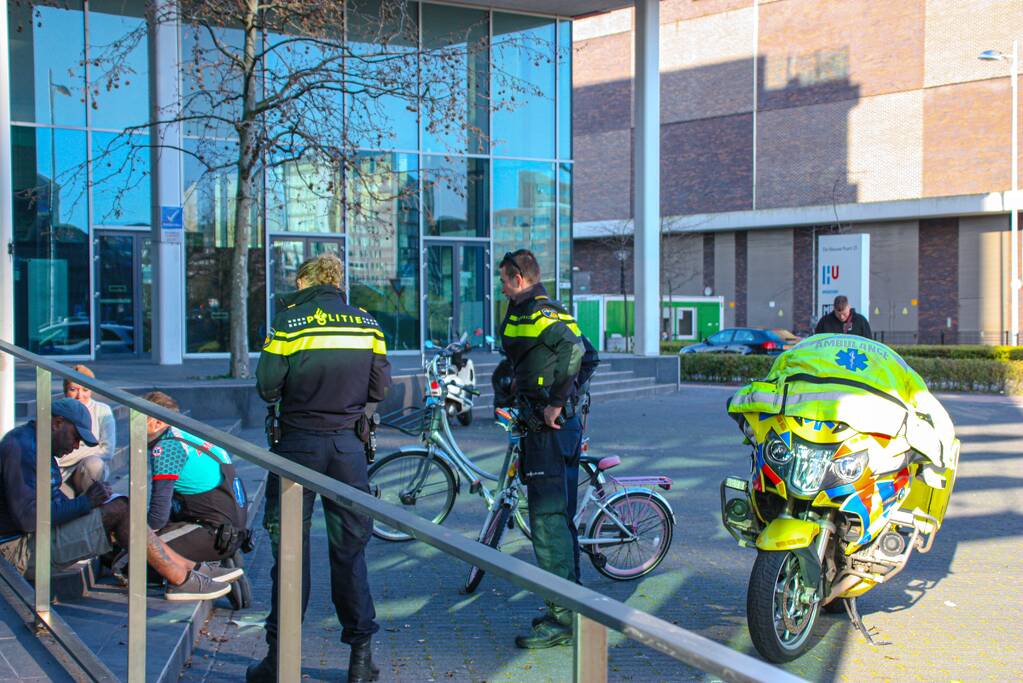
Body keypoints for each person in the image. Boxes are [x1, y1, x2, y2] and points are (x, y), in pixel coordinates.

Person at [249, 253, 391, 683]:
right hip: (348, 448)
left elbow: (266, 385)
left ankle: (280, 659)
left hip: (297, 447)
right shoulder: (368, 324)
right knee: (350, 553)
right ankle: (361, 660)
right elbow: (379, 387)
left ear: (308, 280)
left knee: (289, 552)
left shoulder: (288, 323)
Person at [0, 399, 239, 601]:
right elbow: (30, 519)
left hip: (29, 541)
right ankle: (180, 579)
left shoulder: (34, 445)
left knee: (120, 507)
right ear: (57, 423)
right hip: (16, 552)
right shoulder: (22, 448)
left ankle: (190, 568)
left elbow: (47, 505)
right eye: (75, 437)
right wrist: (86, 503)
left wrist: (92, 503)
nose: (75, 446)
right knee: (122, 510)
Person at [497, 249, 598, 650]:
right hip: (557, 430)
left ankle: (563, 621)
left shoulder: (538, 312)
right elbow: (589, 355)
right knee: (561, 518)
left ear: (519, 278)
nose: (502, 288)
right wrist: (569, 398)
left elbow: (577, 351)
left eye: (505, 281)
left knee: (548, 522)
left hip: (549, 430)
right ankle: (571, 608)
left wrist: (558, 402)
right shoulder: (543, 309)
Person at [143, 391, 248, 563]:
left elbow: (158, 517)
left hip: (210, 533)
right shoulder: (191, 436)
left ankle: (207, 574)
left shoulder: (167, 448)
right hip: (231, 532)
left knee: (130, 560)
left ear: (157, 422)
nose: (132, 428)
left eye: (138, 421)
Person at [58, 365, 116, 497]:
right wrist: (93, 449)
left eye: (85, 389)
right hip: (60, 474)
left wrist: (69, 456)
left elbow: (108, 451)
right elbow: (54, 457)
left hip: (88, 471)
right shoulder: (57, 412)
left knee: (94, 463)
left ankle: (93, 508)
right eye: (73, 390)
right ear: (65, 390)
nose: (80, 395)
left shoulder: (102, 411)